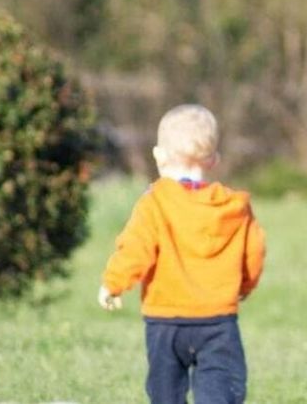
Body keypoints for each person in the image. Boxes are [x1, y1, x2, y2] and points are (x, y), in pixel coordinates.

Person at [98, 104, 266, 404]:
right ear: (213, 160)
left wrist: (113, 283)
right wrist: (244, 286)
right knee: (220, 392)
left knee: (165, 394)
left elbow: (136, 249)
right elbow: (254, 252)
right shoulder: (234, 209)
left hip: (165, 321)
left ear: (159, 156)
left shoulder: (155, 203)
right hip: (218, 321)